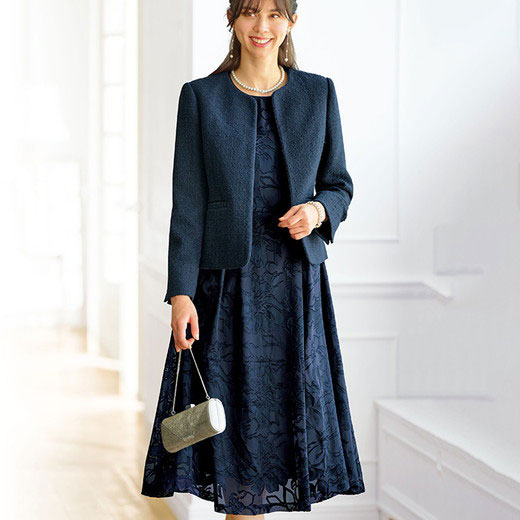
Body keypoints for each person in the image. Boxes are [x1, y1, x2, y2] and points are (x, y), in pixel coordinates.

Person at [141, 0, 365, 517]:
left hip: (296, 288)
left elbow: (339, 185)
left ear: (291, 21)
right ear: (231, 18)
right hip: (225, 290)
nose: (260, 26)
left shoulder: (319, 93)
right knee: (234, 442)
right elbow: (188, 206)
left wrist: (317, 210)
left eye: (273, 14)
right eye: (248, 12)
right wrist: (181, 294)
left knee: (285, 433)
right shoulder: (201, 97)